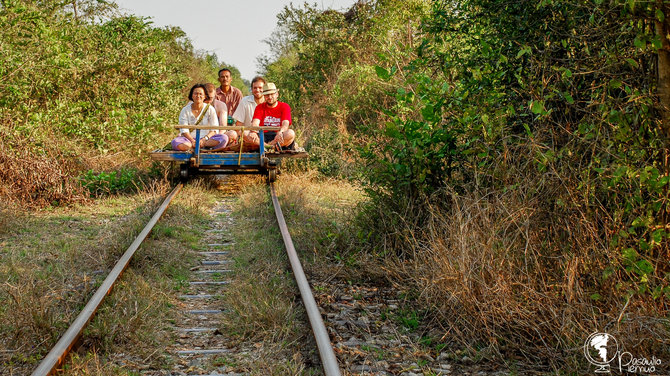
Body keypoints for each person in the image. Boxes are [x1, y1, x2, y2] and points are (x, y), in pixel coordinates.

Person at [171, 84, 227, 151]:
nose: (198, 96)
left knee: (223, 138)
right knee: (175, 142)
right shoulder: (185, 110)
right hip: (189, 140)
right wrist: (192, 141)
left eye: (201, 94)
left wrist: (204, 140)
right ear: (192, 96)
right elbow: (184, 130)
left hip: (207, 140)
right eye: (196, 94)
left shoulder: (210, 109)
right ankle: (193, 147)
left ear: (204, 97)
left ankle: (201, 146)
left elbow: (214, 129)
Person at [244, 82, 295, 150]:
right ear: (264, 96)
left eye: (272, 94)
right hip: (263, 136)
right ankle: (269, 146)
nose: (270, 97)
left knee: (290, 133)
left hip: (278, 135)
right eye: (267, 95)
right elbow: (255, 122)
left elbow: (285, 124)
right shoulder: (260, 107)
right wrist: (253, 132)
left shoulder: (284, 106)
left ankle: (268, 146)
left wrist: (281, 132)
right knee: (245, 133)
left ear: (277, 94)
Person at [204, 83, 237, 148]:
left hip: (215, 136)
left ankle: (207, 145)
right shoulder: (194, 104)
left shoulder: (221, 105)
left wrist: (212, 136)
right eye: (206, 98)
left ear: (215, 94)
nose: (208, 101)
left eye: (210, 98)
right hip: (199, 134)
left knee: (232, 134)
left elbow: (223, 127)